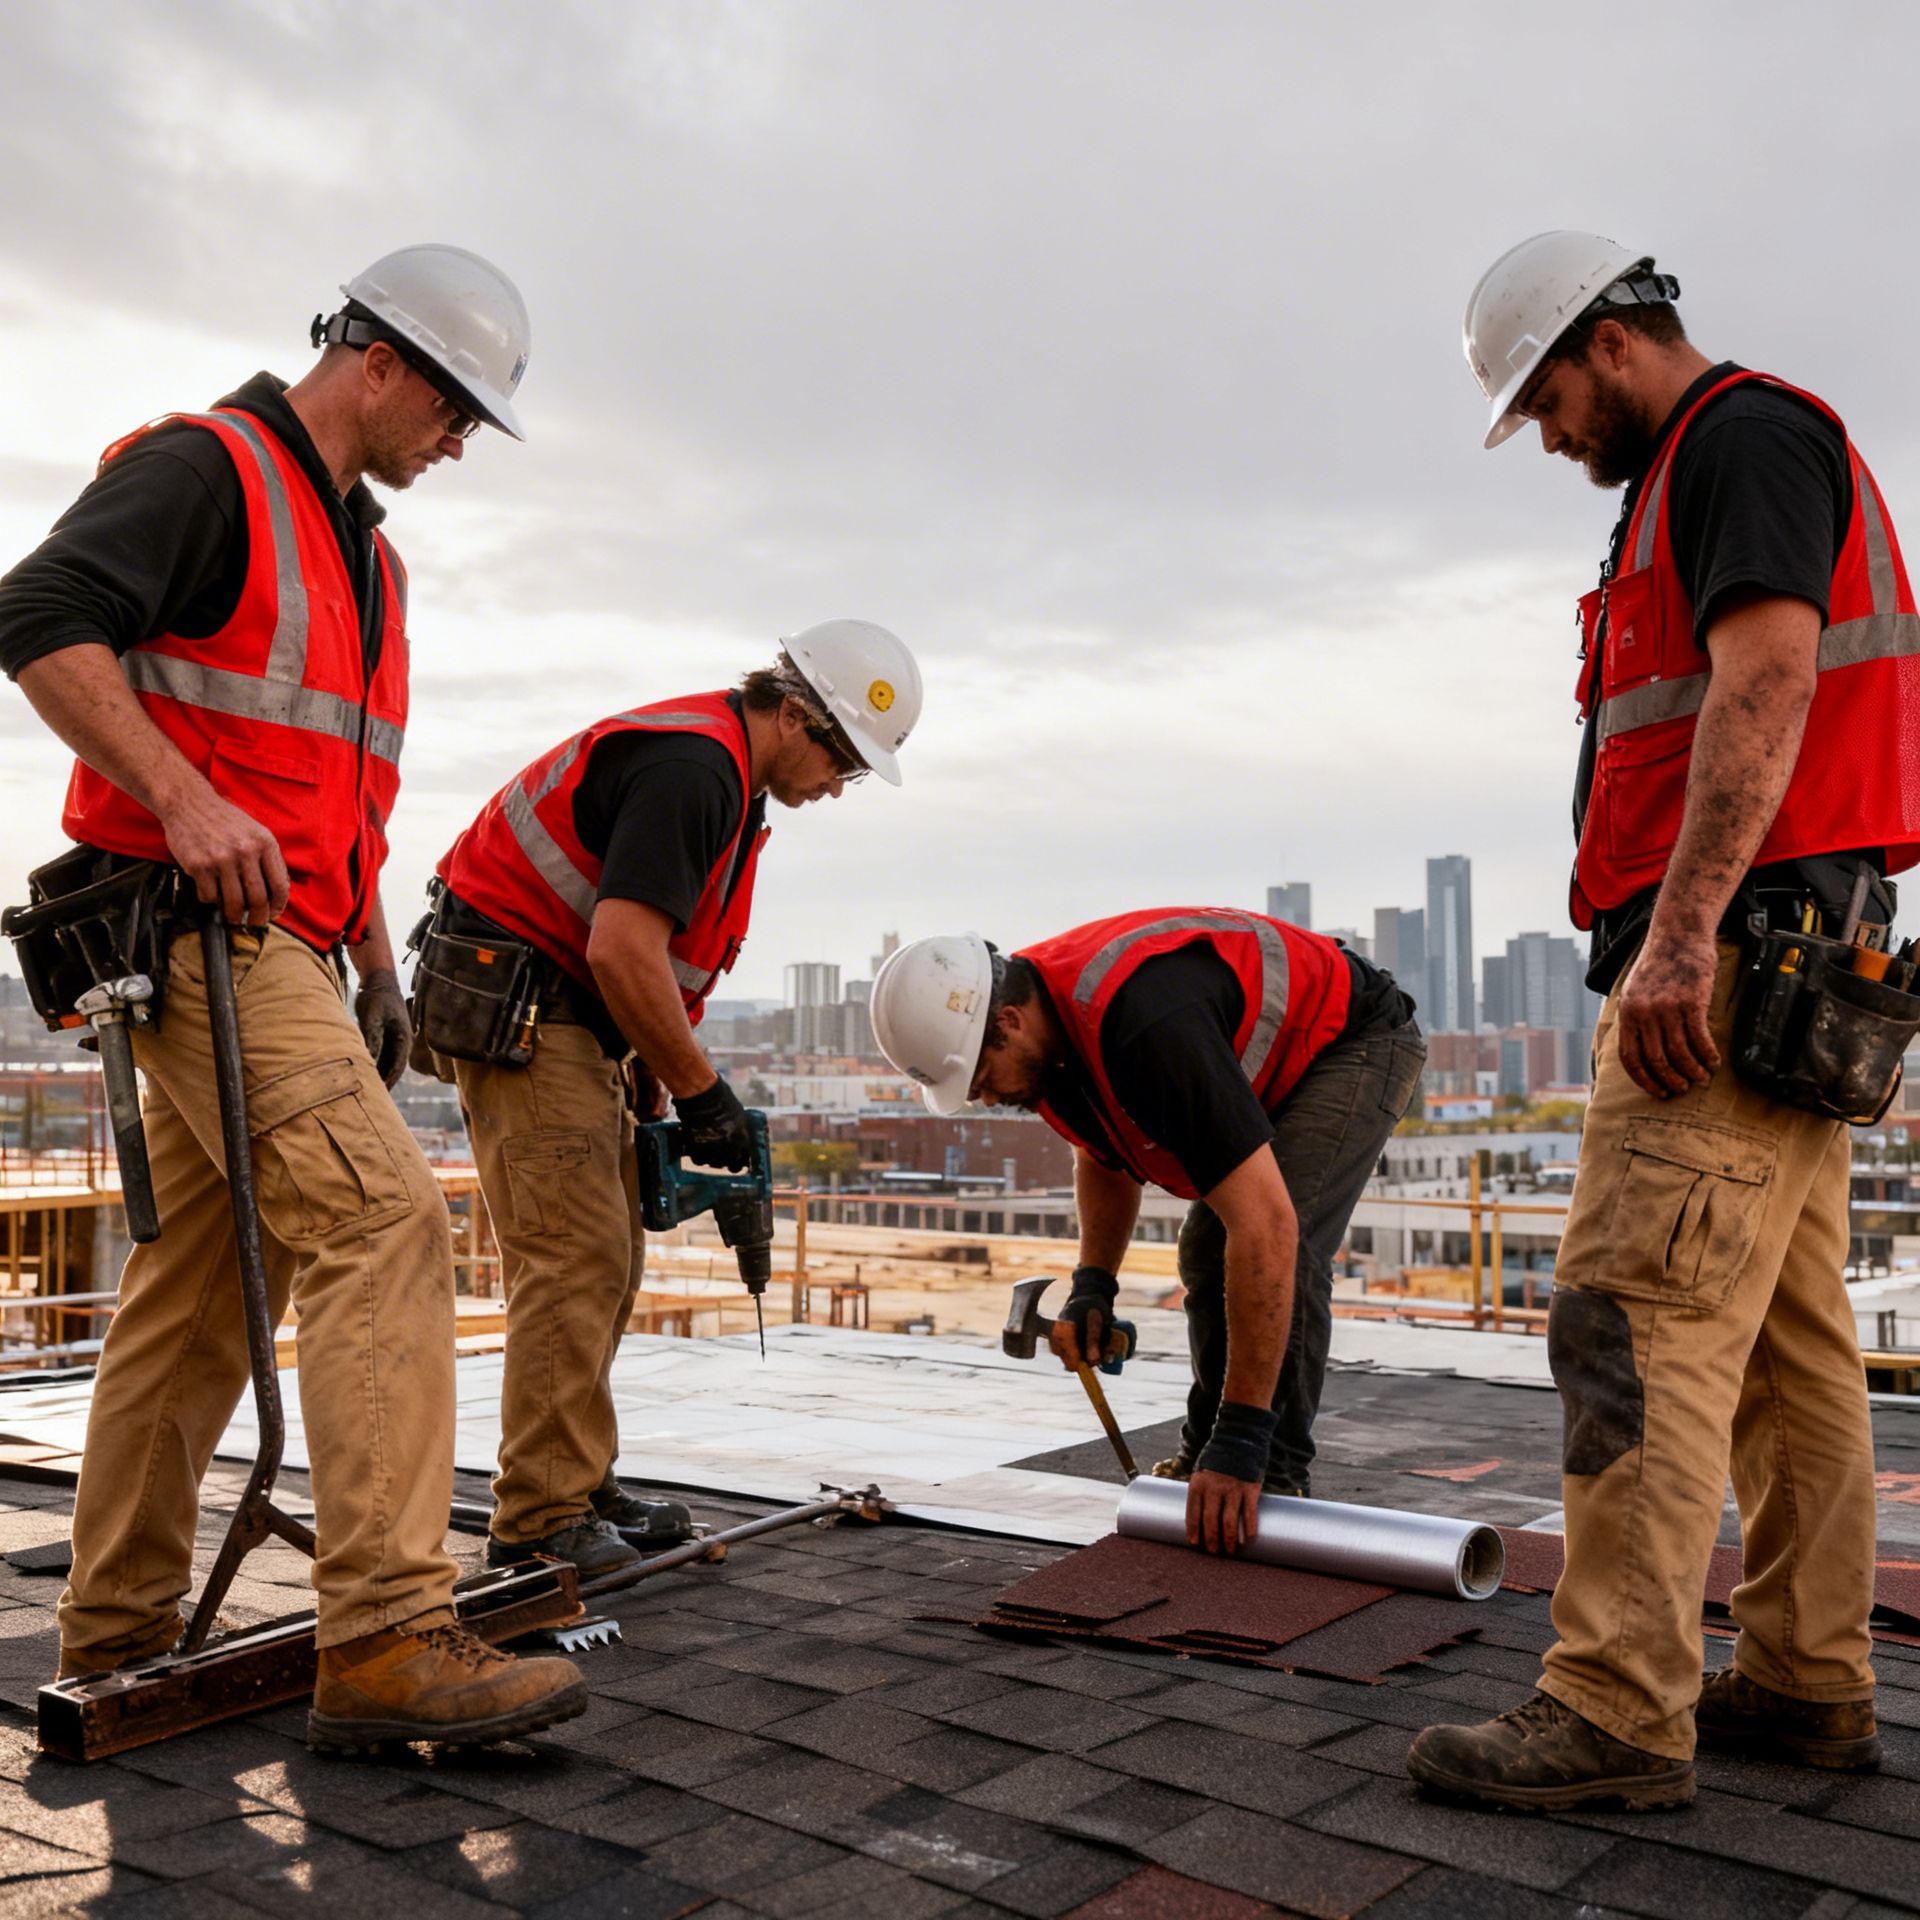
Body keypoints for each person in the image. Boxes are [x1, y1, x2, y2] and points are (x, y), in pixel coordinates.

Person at [0, 246, 586, 1752]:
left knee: (197, 1289)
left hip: (292, 949)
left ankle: (119, 1628)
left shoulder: (366, 562)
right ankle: (389, 1635)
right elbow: (38, 613)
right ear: (376, 361)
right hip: (195, 935)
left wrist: (378, 961)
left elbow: (331, 797)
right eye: (453, 408)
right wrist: (184, 803)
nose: (459, 442)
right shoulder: (216, 471)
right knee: (385, 1223)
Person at [1407, 231, 1920, 1811]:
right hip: (1800, 962)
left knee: (1627, 1318)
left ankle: (1619, 1703)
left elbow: (1767, 680)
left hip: (1737, 964)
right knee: (1782, 1346)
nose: (1551, 436)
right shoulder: (1718, 459)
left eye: (1550, 402)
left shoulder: (1740, 441)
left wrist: (1683, 940)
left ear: (1611, 343)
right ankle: (1805, 1676)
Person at [420, 622, 921, 1577]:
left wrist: (648, 1056)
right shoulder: (696, 771)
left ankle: (578, 1476)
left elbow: (624, 950)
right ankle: (539, 1520)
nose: (834, 788)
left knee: (606, 1255)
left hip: (565, 1020)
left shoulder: (720, 772)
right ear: (792, 714)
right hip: (528, 1017)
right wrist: (702, 1090)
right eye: (841, 762)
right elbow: (619, 949)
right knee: (575, 1258)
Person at [869, 909, 1424, 1547]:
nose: (985, 1098)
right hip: (1273, 1052)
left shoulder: (1145, 1025)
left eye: (980, 1078)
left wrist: (1241, 1441)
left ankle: (1269, 1471)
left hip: (1353, 1040)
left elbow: (1269, 1231)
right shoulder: (1043, 1042)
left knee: (1276, 1244)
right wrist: (1093, 1286)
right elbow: (1101, 1156)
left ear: (1008, 1022)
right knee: (1204, 1249)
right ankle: (1205, 1452)